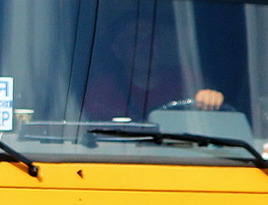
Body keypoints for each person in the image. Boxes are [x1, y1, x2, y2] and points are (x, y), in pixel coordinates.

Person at [80, 8, 224, 122]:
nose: (146, 47)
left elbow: (212, 123)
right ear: (118, 50)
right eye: (136, 40)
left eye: (151, 38)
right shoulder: (101, 90)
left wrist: (210, 98)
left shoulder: (189, 81)